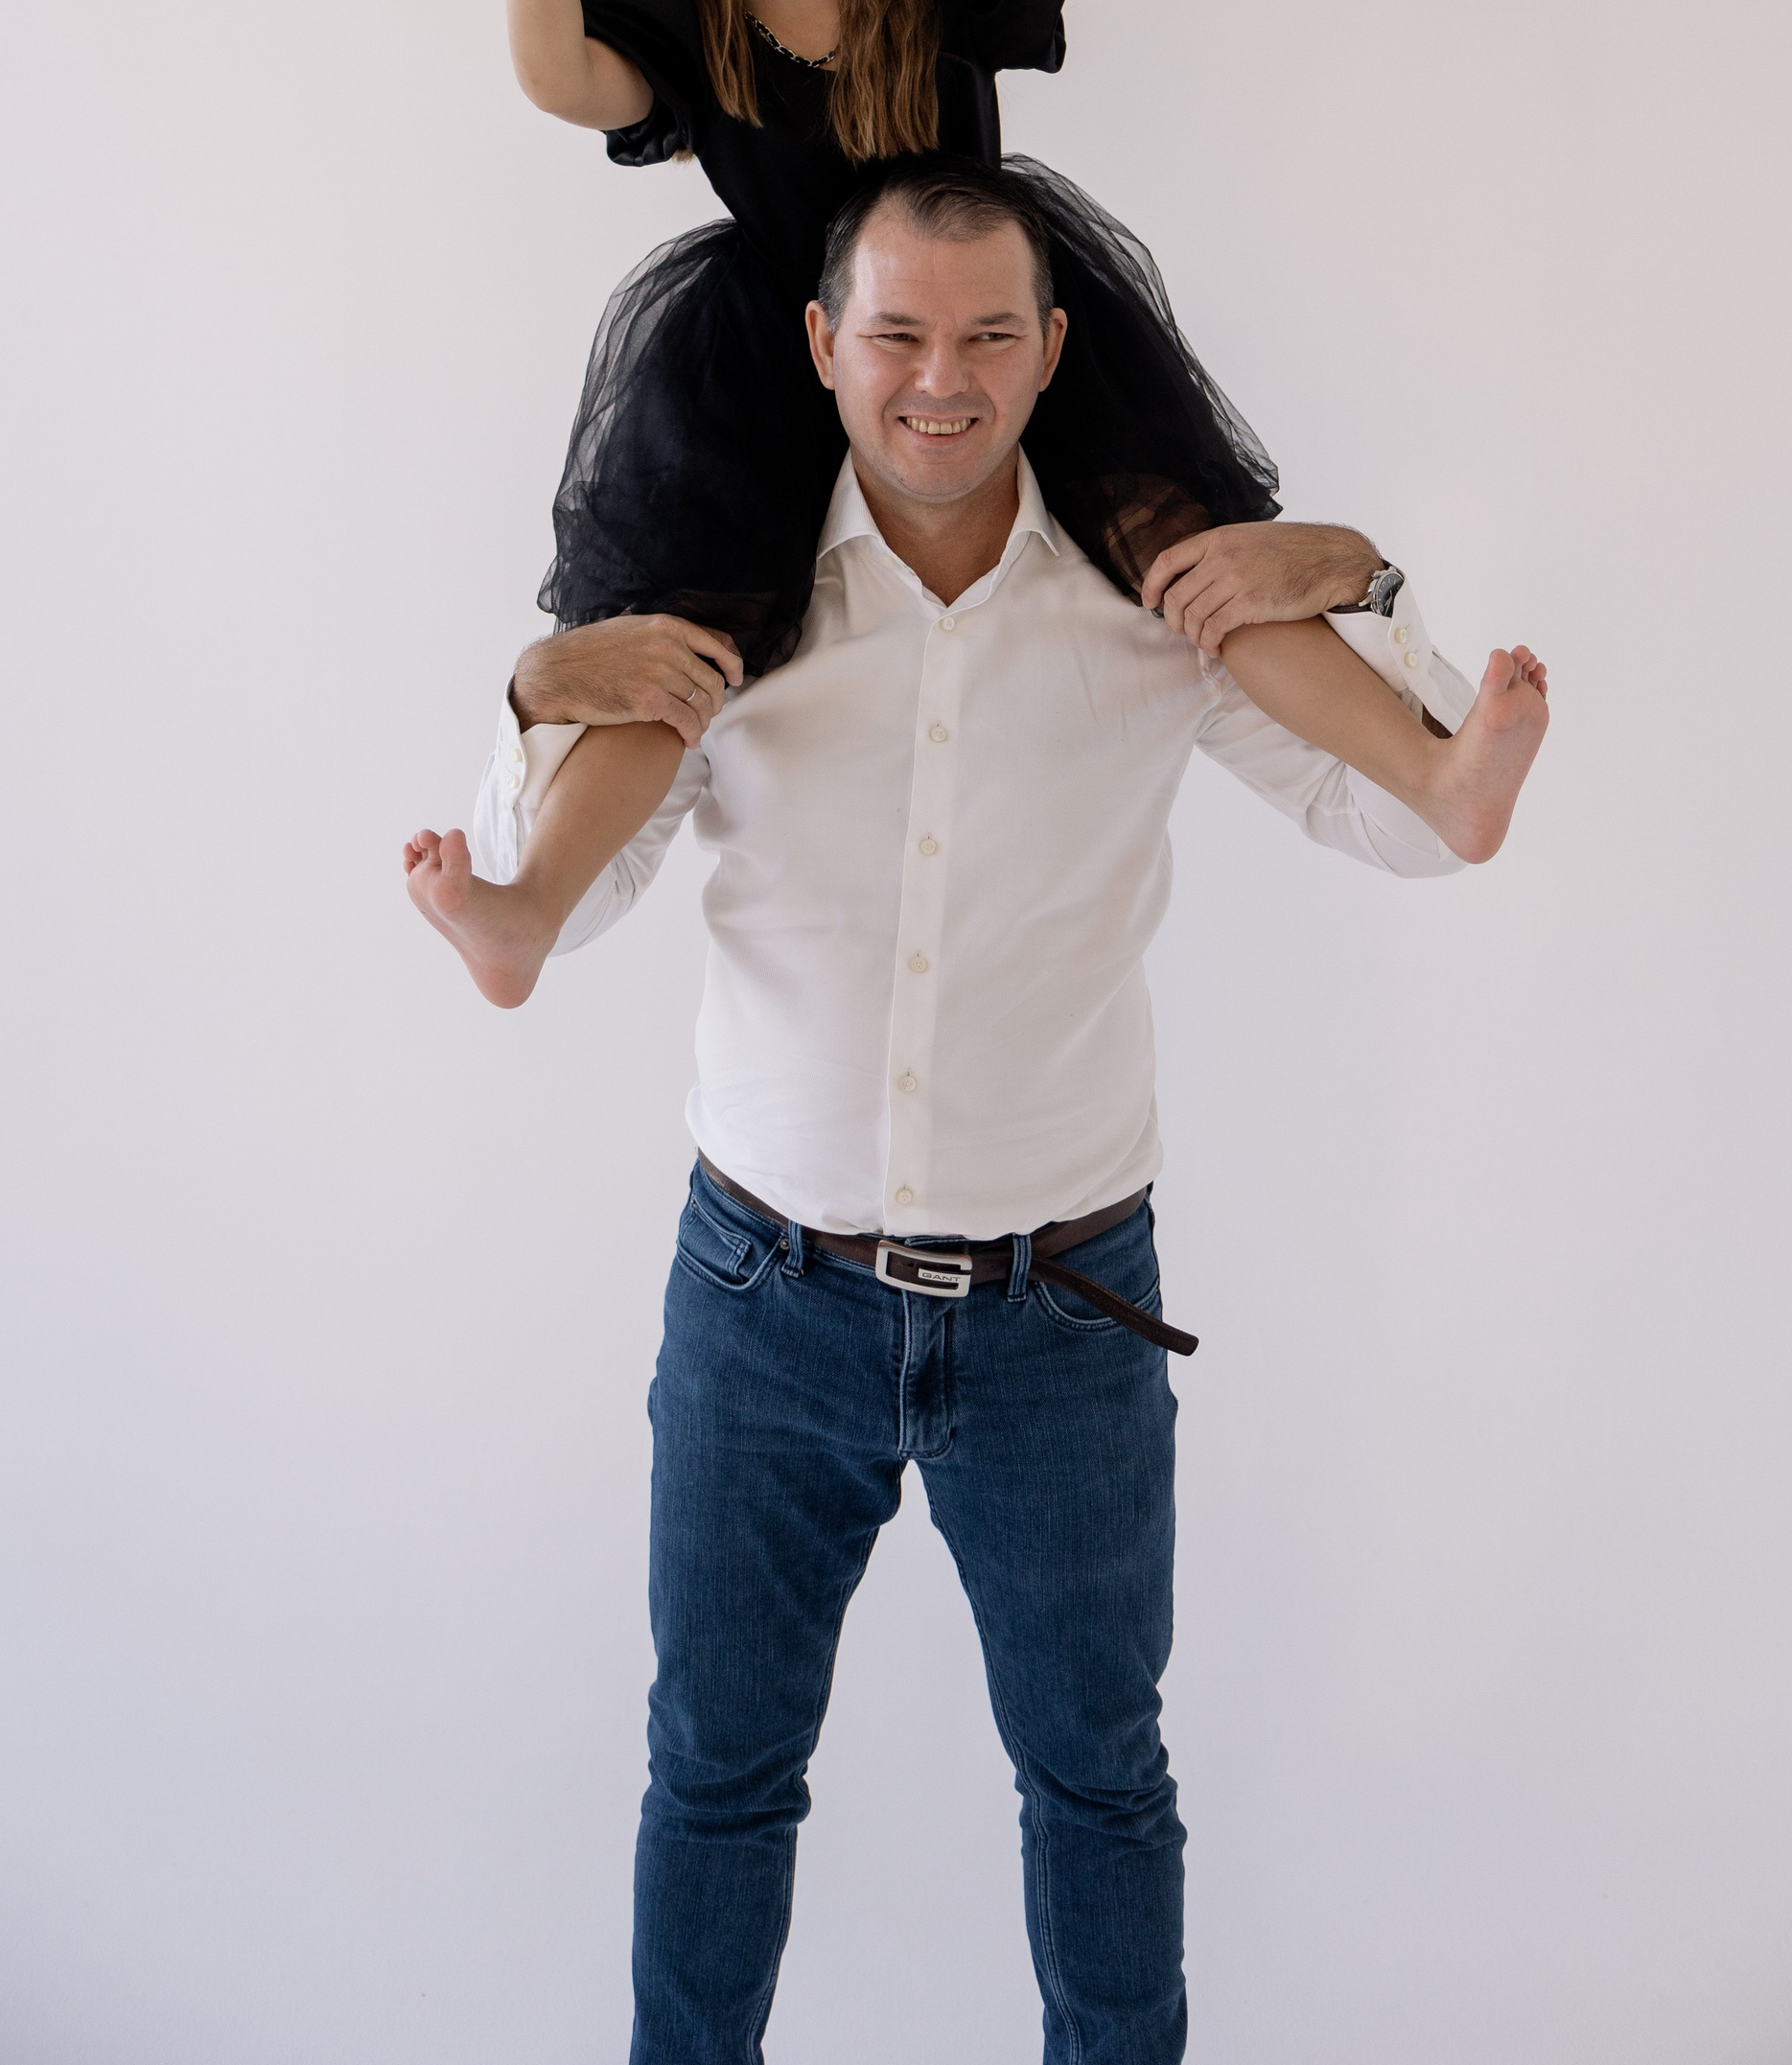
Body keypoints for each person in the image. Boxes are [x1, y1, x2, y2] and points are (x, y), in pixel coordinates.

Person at [404, 160, 1548, 2060]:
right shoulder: (737, 604)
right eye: (901, 337)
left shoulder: (1147, 605)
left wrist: (1367, 582)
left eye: (988, 337)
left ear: (1054, 348)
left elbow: (1397, 828)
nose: (941, 381)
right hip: (766, 1298)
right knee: (716, 1773)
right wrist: (534, 700)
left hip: (1063, 1312)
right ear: (821, 345)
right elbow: (589, 901)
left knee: (1100, 1780)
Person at [454, 0, 1458, 909]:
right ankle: (531, 901)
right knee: (680, 645)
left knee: (1192, 558)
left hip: (981, 327)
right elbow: (558, 76)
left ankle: (1432, 771)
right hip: (770, 360)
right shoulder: (682, 15)